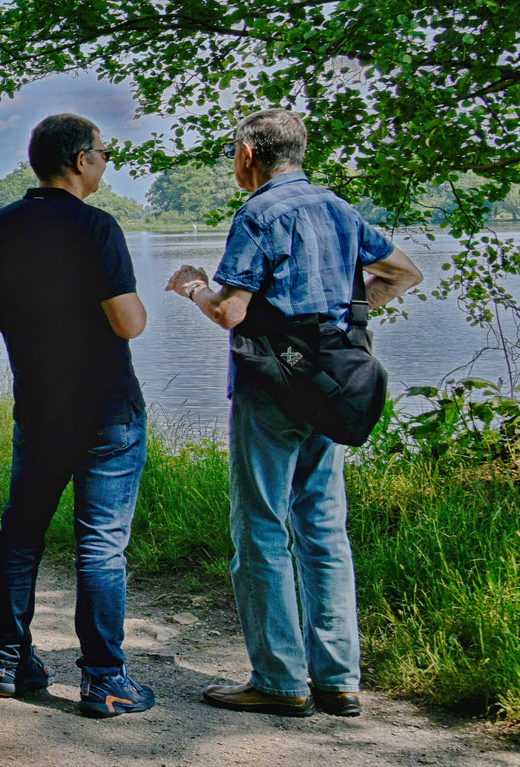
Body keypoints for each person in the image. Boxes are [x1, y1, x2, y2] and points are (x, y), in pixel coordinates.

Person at [165, 109, 423, 718]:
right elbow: (403, 272)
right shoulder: (339, 208)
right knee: (324, 528)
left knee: (260, 527)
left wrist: (192, 288)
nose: (234, 161)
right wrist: (345, 320)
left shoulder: (258, 213)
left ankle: (279, 680)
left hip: (272, 387)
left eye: (234, 151)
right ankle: (338, 679)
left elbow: (230, 311)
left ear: (250, 153)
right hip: (333, 386)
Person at [0, 114, 156, 718]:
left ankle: (10, 658)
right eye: (103, 153)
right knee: (100, 544)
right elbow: (127, 322)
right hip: (106, 409)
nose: (104, 162)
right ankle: (103, 678)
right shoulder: (96, 227)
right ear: (80, 160)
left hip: (40, 407)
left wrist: (37, 320)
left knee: (22, 532)